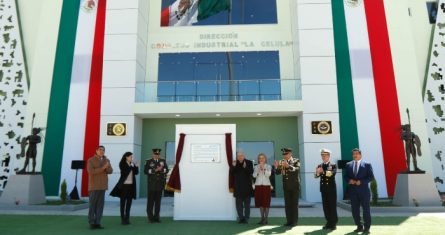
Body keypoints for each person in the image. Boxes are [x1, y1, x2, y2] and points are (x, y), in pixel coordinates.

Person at [345, 148, 374, 234]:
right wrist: (349, 180)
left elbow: (371, 177)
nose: (355, 155)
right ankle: (359, 226)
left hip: (364, 191)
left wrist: (361, 181)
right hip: (353, 191)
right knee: (354, 210)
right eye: (353, 154)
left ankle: (367, 227)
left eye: (357, 153)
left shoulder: (367, 165)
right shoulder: (348, 164)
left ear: (360, 154)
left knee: (366, 210)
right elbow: (346, 176)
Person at [87, 145, 113, 230]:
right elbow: (91, 171)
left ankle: (98, 222)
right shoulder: (91, 160)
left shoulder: (107, 160)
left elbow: (110, 171)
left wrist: (107, 167)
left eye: (103, 150)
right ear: (96, 151)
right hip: (94, 186)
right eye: (100, 150)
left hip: (103, 186)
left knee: (100, 206)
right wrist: (103, 168)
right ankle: (91, 222)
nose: (102, 151)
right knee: (92, 205)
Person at [110, 152, 139, 225]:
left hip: (131, 186)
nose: (132, 158)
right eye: (130, 157)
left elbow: (136, 172)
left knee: (129, 203)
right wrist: (132, 165)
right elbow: (127, 171)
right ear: (126, 157)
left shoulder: (131, 164)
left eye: (132, 157)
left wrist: (136, 165)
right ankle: (123, 219)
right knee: (123, 203)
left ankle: (127, 219)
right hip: (124, 186)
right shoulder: (122, 164)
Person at [274, 147, 300, 227]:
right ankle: (289, 221)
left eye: (286, 154)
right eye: (284, 154)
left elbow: (296, 169)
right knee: (287, 205)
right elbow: (278, 173)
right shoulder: (282, 161)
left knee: (294, 205)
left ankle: (294, 221)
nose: (285, 156)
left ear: (290, 153)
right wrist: (276, 167)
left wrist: (288, 166)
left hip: (295, 186)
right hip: (286, 186)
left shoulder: (296, 160)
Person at [314, 149, 338, 230]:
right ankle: (328, 222)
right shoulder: (319, 165)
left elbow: (331, 174)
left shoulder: (333, 165)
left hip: (331, 189)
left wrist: (322, 172)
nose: (323, 157)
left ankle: (333, 223)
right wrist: (317, 172)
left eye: (325, 155)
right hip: (323, 189)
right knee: (325, 207)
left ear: (329, 156)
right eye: (322, 155)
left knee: (332, 206)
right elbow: (316, 176)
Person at [144, 148, 169, 223]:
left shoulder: (163, 161)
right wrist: (155, 170)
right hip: (151, 185)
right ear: (153, 154)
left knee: (158, 202)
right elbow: (145, 171)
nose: (157, 155)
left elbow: (166, 170)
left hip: (159, 185)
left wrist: (161, 169)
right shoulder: (148, 161)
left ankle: (157, 217)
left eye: (158, 154)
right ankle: (150, 218)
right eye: (155, 154)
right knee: (150, 202)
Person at [230, 151, 254, 224]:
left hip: (247, 187)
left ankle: (246, 218)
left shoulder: (249, 162)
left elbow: (251, 172)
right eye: (238, 156)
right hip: (238, 188)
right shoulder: (235, 163)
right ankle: (241, 218)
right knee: (239, 205)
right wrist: (233, 166)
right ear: (237, 157)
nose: (240, 157)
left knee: (247, 205)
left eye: (241, 155)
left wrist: (245, 167)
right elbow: (231, 173)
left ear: (244, 156)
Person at [252, 153, 272, 225]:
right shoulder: (256, 166)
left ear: (265, 159)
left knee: (266, 203)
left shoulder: (268, 166)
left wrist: (263, 169)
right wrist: (257, 171)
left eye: (263, 158)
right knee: (260, 203)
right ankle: (262, 218)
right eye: (260, 158)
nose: (261, 159)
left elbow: (268, 174)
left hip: (266, 186)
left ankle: (266, 219)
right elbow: (254, 176)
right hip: (258, 186)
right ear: (258, 159)